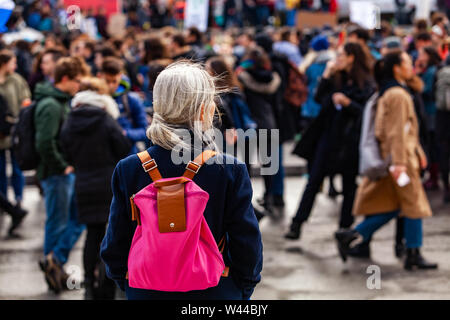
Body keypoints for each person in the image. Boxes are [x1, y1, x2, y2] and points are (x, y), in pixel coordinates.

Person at [100, 62, 263, 300]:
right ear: (203, 109)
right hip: (215, 287)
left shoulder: (130, 168)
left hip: (146, 287)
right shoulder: (229, 169)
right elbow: (246, 242)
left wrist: (127, 283)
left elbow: (115, 241)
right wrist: (243, 287)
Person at [336, 51, 438, 271]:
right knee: (413, 204)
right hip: (401, 161)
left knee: (397, 205)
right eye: (407, 62)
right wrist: (402, 162)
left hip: (395, 159)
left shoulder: (388, 93)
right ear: (397, 68)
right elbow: (397, 132)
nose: (411, 65)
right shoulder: (398, 95)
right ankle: (413, 251)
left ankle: (354, 235)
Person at [286, 42, 375, 240]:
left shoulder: (365, 81)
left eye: (341, 55)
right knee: (314, 180)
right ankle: (297, 223)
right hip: (328, 137)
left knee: (349, 185)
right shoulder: (336, 76)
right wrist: (326, 75)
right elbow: (318, 98)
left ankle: (344, 228)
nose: (337, 59)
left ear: (352, 57)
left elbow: (366, 112)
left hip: (350, 140)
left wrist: (348, 103)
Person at [60, 77, 131, 300]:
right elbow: (123, 146)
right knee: (111, 232)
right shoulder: (105, 118)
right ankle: (107, 283)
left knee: (92, 233)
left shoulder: (70, 120)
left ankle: (89, 284)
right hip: (106, 180)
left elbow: (65, 147)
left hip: (83, 180)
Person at [35, 57, 86, 294]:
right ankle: (53, 266)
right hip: (56, 174)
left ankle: (55, 263)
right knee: (58, 222)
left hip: (62, 172)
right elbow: (44, 142)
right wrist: (62, 165)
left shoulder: (60, 101)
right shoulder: (52, 105)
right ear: (64, 79)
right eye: (76, 80)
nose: (79, 85)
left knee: (72, 219)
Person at [237, 46, 282, 213]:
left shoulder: (242, 77)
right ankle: (269, 198)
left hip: (249, 124)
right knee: (268, 165)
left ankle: (245, 200)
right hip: (269, 122)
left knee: (246, 164)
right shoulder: (274, 79)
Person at [0, 50, 31, 215]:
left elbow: (26, 101)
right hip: (0, 134)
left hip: (15, 130)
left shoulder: (17, 80)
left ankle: (18, 198)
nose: (16, 66)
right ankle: (4, 201)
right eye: (13, 62)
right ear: (4, 63)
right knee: (0, 170)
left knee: (17, 166)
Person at [98, 56, 148, 154]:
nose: (110, 86)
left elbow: (144, 131)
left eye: (114, 81)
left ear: (120, 76)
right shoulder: (94, 98)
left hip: (127, 153)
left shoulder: (131, 99)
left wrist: (124, 133)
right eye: (107, 81)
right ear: (99, 76)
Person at [415, 46, 443, 191]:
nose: (419, 57)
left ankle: (434, 177)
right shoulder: (429, 69)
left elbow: (426, 90)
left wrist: (416, 78)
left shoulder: (431, 71)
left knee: (433, 145)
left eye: (421, 54)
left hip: (431, 112)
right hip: (428, 112)